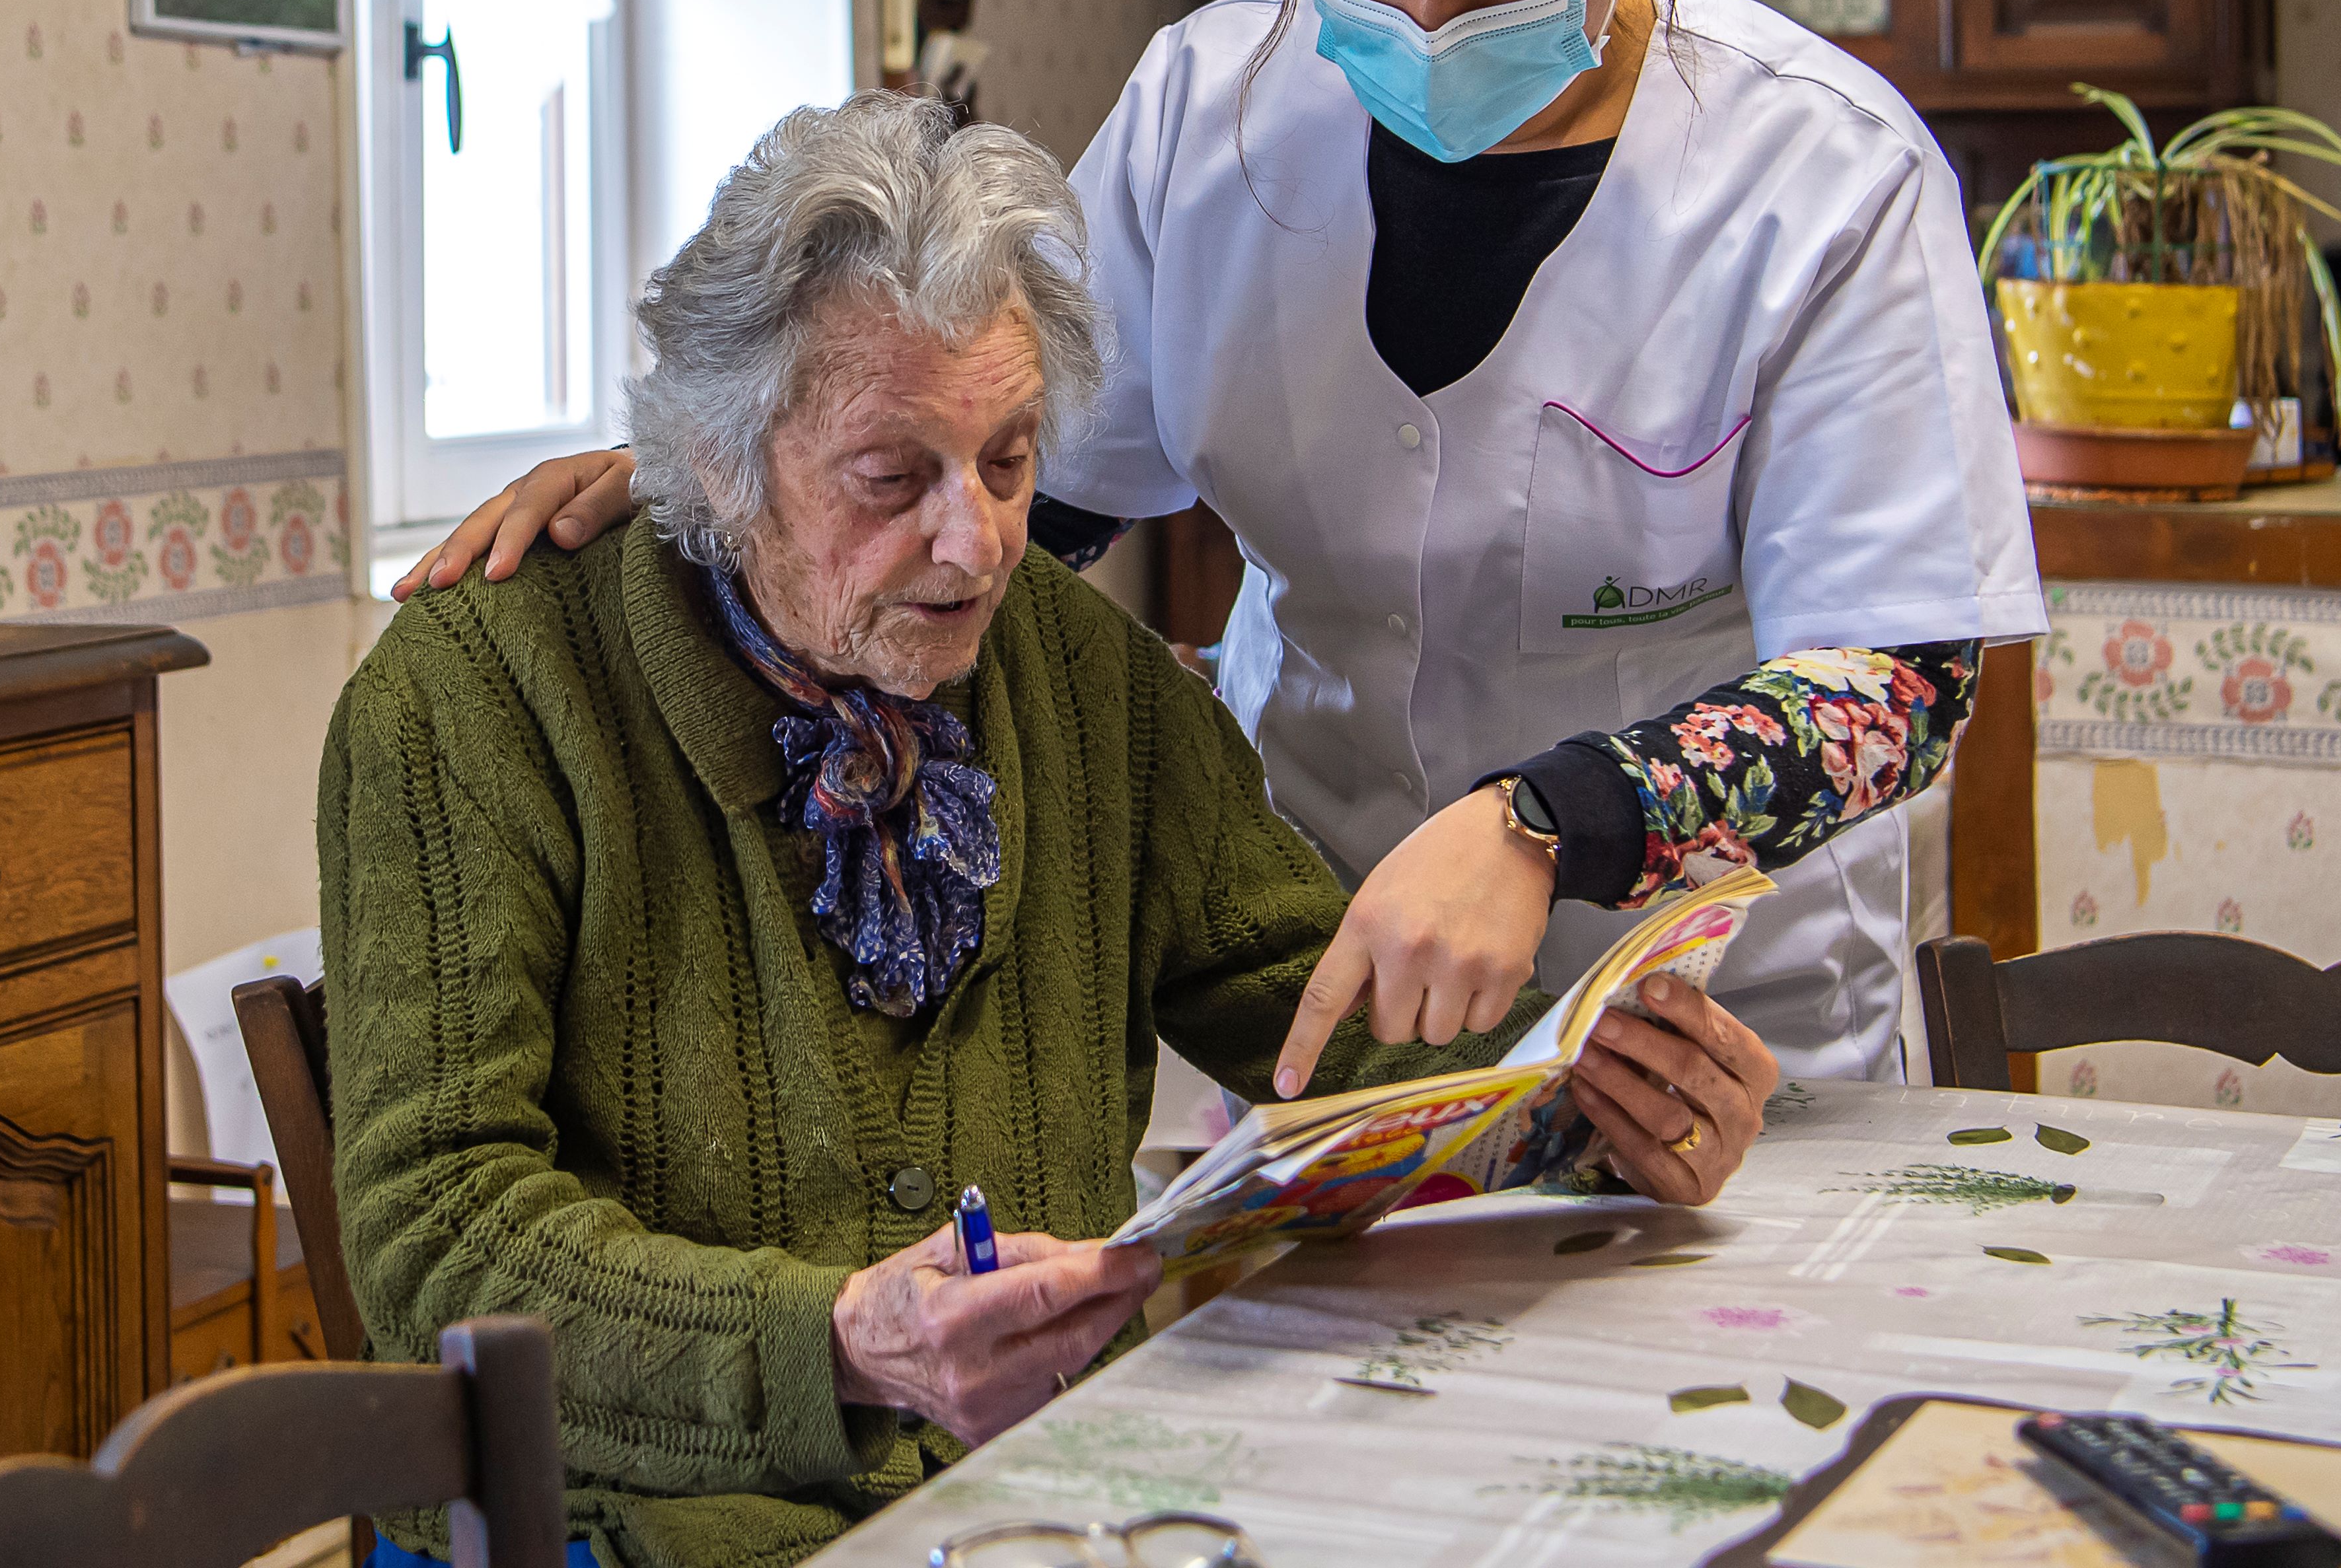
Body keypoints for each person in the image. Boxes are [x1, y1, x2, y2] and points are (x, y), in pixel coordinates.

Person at [399, 0, 2042, 1094]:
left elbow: (1904, 674)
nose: (1430, 23)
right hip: (1298, 967)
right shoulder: (1210, 107)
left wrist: (1552, 821)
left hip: (1694, 1014)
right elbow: (1032, 486)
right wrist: (746, 483)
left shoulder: (1822, 175)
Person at [326, 93, 1780, 1568]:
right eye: (894, 479)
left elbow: (1316, 1004)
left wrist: (1584, 1091)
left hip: (1033, 1499)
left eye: (1011, 461)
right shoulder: (475, 701)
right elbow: (439, 1239)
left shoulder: (1085, 684)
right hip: (626, 1525)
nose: (977, 543)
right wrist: (834, 1340)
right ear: (715, 459)